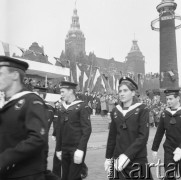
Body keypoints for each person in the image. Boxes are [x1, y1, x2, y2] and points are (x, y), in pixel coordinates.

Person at [0, 56, 48, 180]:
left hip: (25, 174)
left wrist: (4, 158)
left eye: (1, 73)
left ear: (15, 75)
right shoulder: (7, 104)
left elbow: (37, 138)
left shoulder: (30, 100)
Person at [104, 76, 152, 180]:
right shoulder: (115, 111)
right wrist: (108, 158)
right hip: (118, 159)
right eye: (120, 91)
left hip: (137, 159)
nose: (121, 93)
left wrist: (127, 155)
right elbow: (112, 136)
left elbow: (143, 137)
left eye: (125, 90)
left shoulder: (142, 109)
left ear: (133, 93)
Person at [56, 81, 92, 180]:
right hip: (64, 147)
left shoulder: (82, 106)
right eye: (61, 92)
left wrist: (81, 149)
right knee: (65, 176)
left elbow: (87, 130)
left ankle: (82, 170)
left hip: (76, 148)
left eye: (63, 91)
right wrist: (58, 148)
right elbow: (59, 129)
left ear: (71, 91)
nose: (61, 94)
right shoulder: (61, 107)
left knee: (73, 177)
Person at [152, 88, 181, 180]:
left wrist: (180, 149)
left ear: (178, 98)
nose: (168, 101)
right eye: (167, 99)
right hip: (169, 149)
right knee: (169, 175)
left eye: (171, 99)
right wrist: (154, 149)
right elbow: (159, 132)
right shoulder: (165, 114)